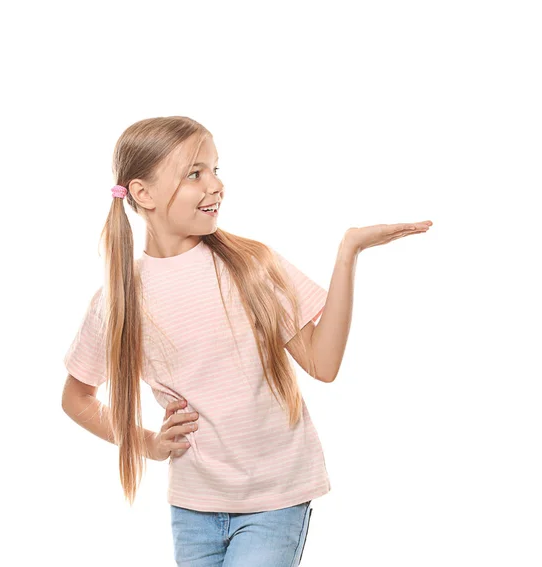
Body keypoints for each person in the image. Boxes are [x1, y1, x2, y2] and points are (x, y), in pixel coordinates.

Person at [61, 115, 433, 566]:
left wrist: (347, 253)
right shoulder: (119, 298)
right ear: (143, 193)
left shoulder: (250, 265)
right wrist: (148, 443)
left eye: (216, 170)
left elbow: (323, 363)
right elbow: (77, 396)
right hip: (193, 507)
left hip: (275, 498)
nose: (215, 185)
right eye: (195, 173)